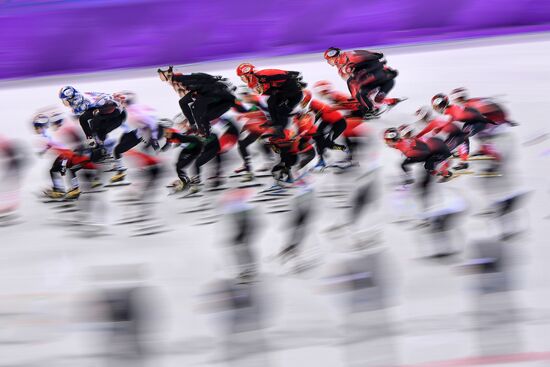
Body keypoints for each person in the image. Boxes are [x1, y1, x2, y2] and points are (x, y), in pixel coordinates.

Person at [323, 48, 404, 116]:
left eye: (329, 58)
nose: (329, 61)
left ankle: (372, 109)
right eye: (328, 59)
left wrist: (355, 96)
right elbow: (378, 55)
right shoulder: (344, 66)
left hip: (378, 75)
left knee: (363, 96)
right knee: (371, 98)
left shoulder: (349, 56)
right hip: (378, 77)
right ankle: (390, 102)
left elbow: (352, 82)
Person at [236, 63, 305, 137]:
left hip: (291, 88)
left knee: (279, 106)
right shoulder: (258, 78)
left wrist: (296, 80)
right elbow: (271, 86)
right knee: (270, 102)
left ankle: (293, 115)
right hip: (284, 88)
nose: (242, 79)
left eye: (242, 77)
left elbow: (285, 76)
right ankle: (275, 121)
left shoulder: (261, 77)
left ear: (248, 74)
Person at [59, 86, 126, 160]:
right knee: (90, 123)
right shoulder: (83, 99)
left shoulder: (88, 102)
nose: (66, 104)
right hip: (111, 111)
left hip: (116, 113)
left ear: (73, 99)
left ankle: (103, 150)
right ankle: (97, 144)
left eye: (66, 101)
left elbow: (112, 106)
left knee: (95, 126)